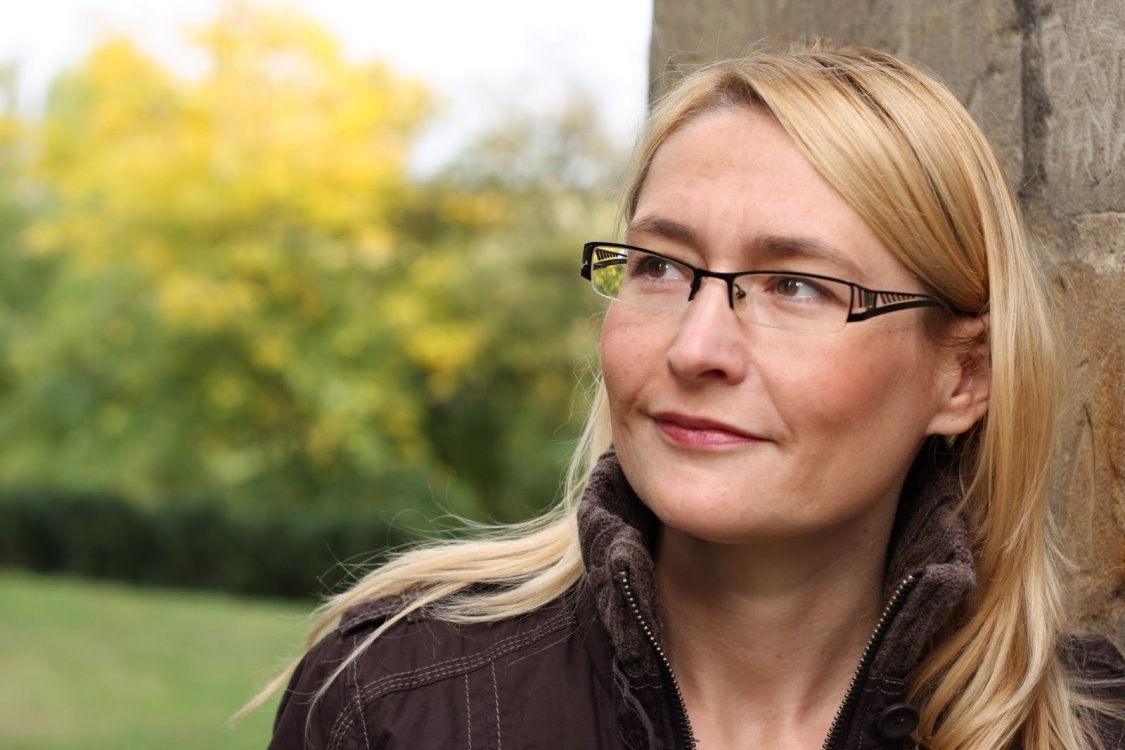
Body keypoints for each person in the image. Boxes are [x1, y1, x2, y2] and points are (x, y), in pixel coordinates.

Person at [256, 44, 1125, 749]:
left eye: (794, 286)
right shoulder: (400, 701)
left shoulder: (1090, 730)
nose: (694, 347)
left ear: (961, 376)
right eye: (660, 268)